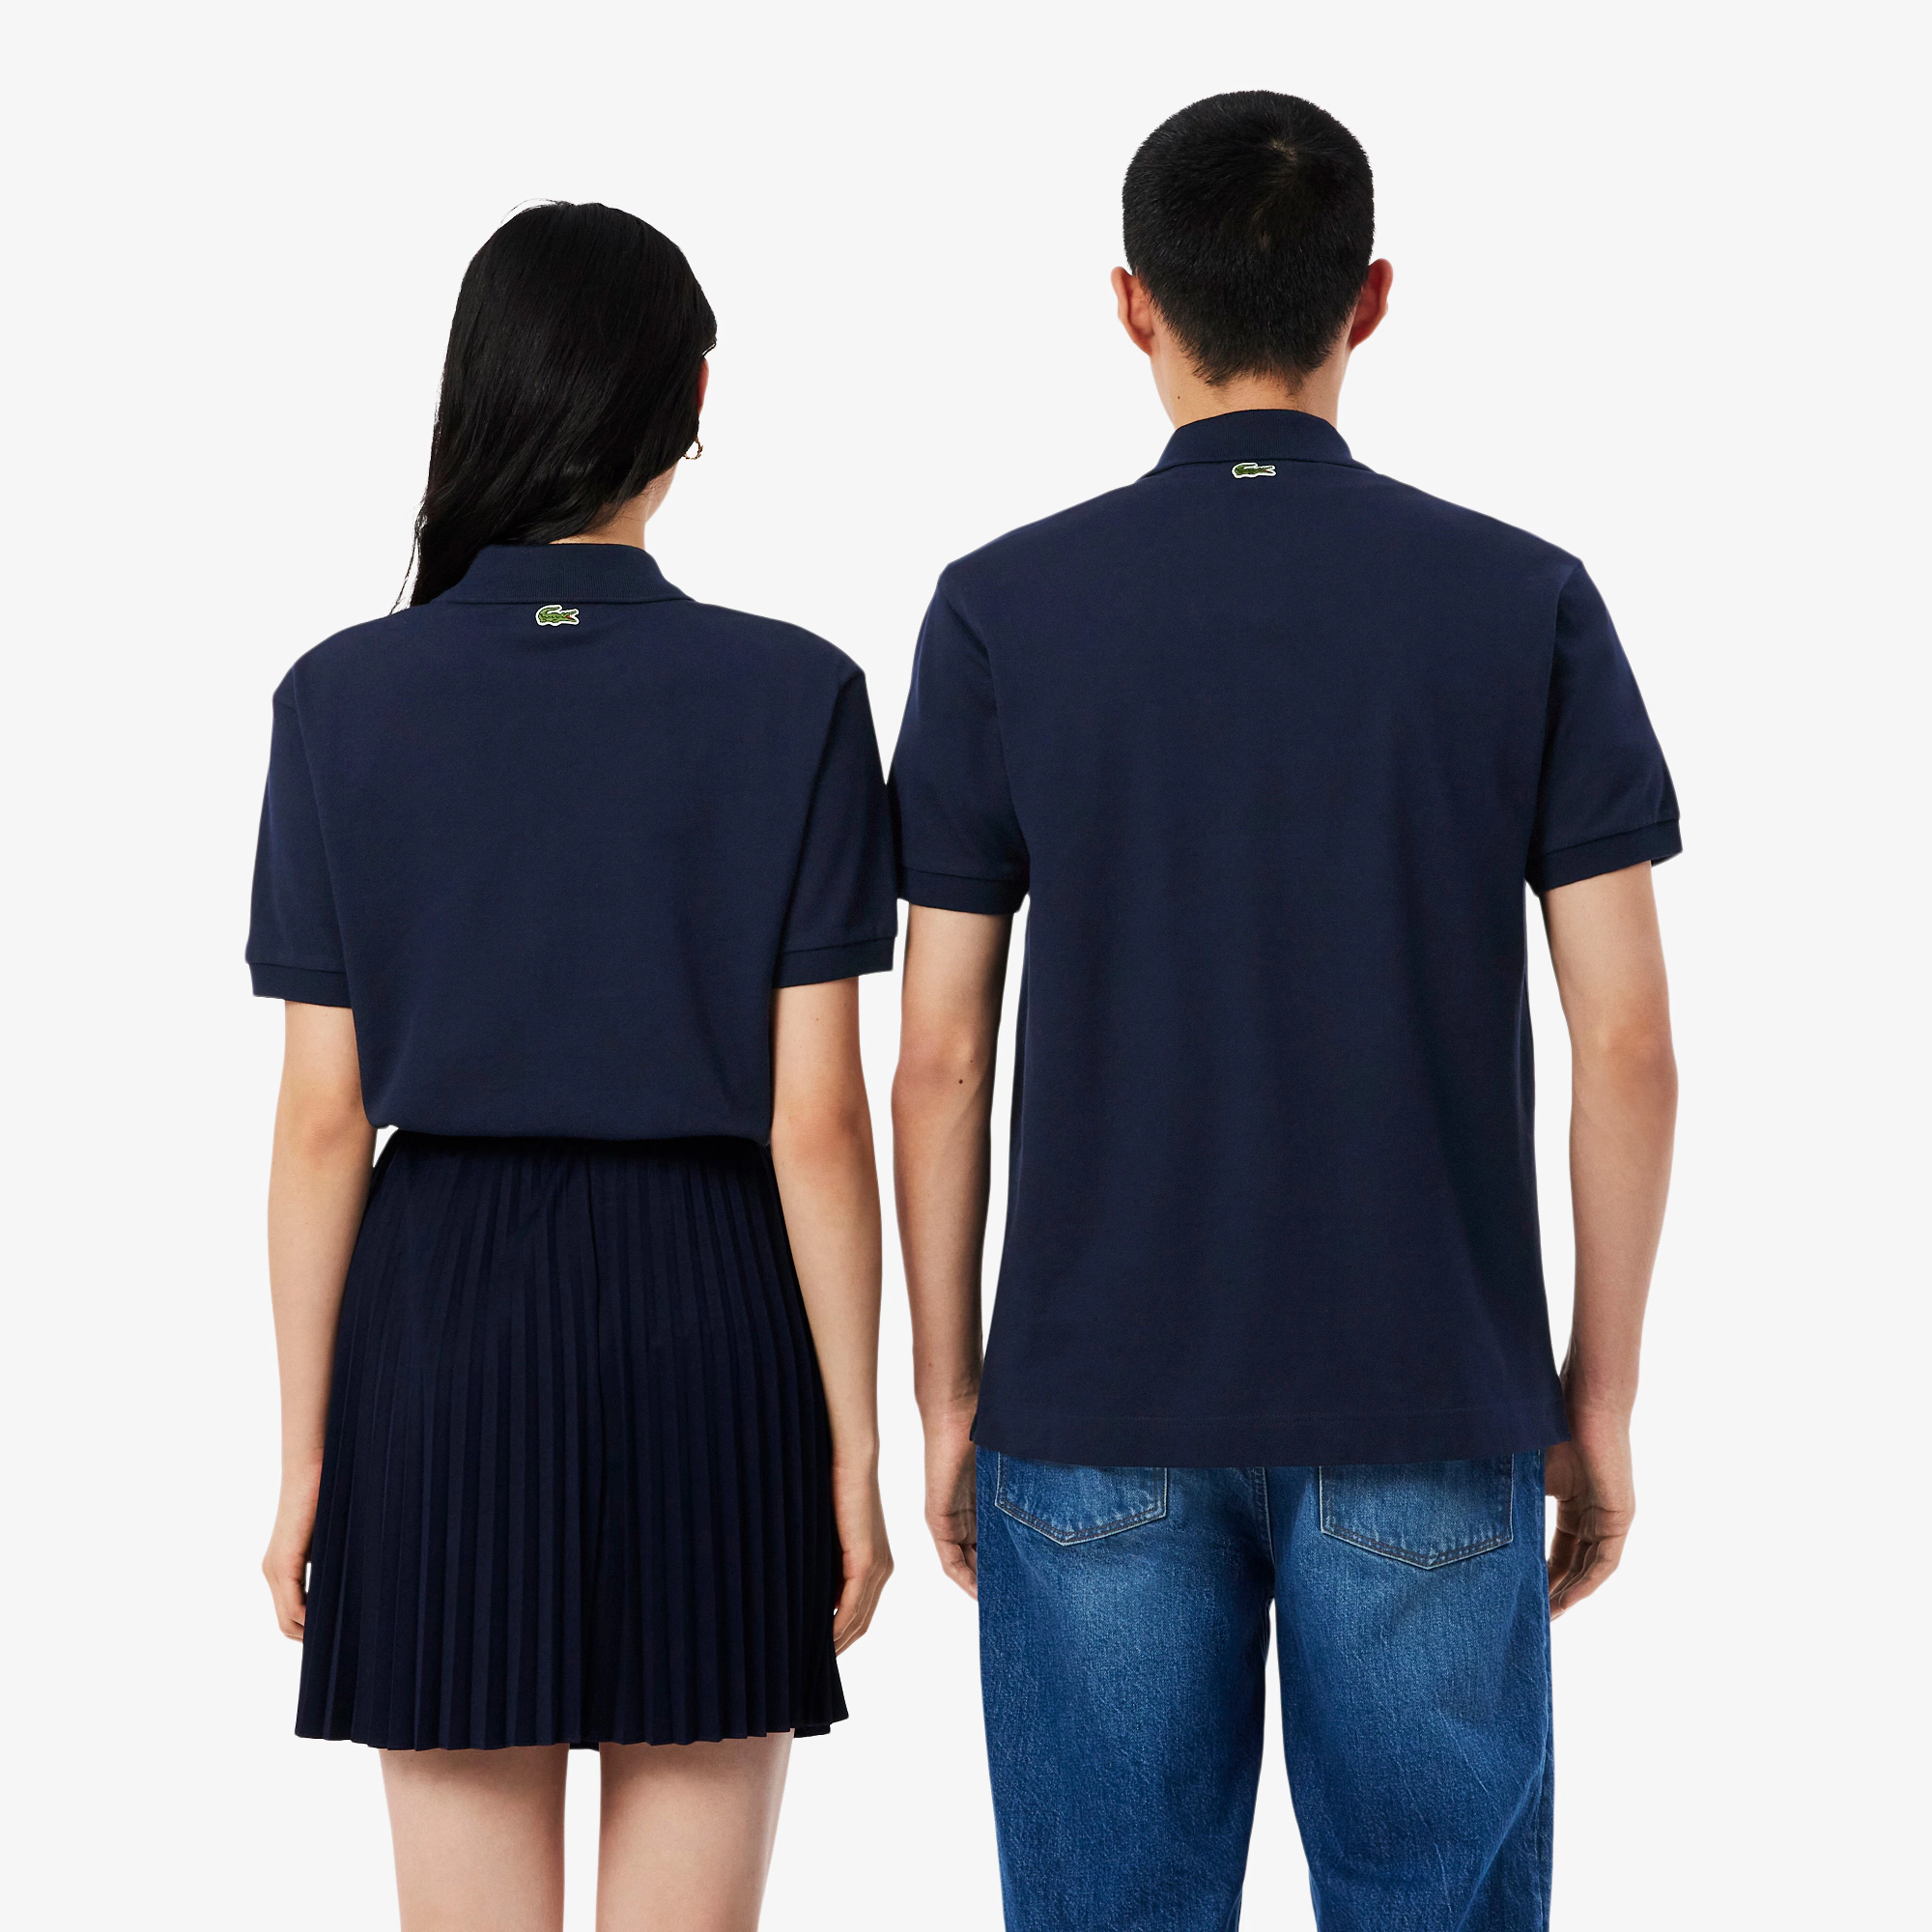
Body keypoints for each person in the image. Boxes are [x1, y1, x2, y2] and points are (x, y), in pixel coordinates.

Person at [889, 93, 1678, 1931]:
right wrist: (1598, 1398)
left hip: (1091, 1395)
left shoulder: (1002, 610)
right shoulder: (1523, 601)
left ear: (1131, 304)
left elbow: (936, 1057)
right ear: (1369, 298)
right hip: (1430, 1386)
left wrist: (946, 1394)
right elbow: (1629, 1044)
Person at [248, 202, 895, 1932]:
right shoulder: (798, 694)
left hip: (442, 1328)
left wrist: (306, 1456)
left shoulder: (341, 700)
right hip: (714, 1315)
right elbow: (818, 1120)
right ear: (693, 400)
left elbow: (321, 1124)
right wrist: (854, 1449)